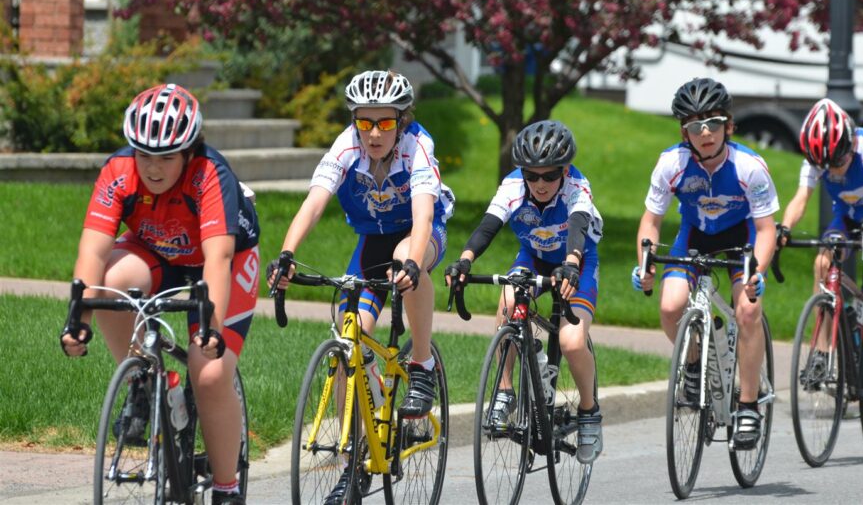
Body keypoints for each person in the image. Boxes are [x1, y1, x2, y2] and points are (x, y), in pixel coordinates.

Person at [60, 83, 259, 505]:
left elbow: (218, 260)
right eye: (144, 154)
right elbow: (93, 250)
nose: (152, 167)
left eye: (166, 157)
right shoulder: (118, 170)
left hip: (222, 260)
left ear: (189, 152)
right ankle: (142, 380)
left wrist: (210, 329)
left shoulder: (210, 174)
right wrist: (78, 321)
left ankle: (227, 487)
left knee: (208, 371)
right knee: (111, 284)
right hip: (157, 252)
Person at [267, 70, 454, 503]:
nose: (373, 133)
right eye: (364, 122)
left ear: (401, 121)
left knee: (408, 266)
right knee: (348, 331)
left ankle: (422, 366)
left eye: (384, 123)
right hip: (372, 238)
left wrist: (412, 260)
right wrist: (288, 253)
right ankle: (356, 455)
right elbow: (314, 201)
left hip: (418, 233)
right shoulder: (346, 144)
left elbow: (424, 215)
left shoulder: (418, 146)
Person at [446, 119, 605, 464]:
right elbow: (489, 225)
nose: (541, 183)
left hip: (577, 261)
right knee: (507, 301)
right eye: (532, 175)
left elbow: (578, 228)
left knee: (571, 341)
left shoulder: (578, 186)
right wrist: (464, 261)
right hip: (532, 257)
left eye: (549, 176)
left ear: (563, 171)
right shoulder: (513, 186)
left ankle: (590, 411)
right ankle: (505, 391)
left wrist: (572, 263)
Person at [633, 77, 778, 449]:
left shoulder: (750, 166)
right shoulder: (672, 164)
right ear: (685, 131)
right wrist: (646, 264)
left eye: (713, 123)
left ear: (728, 125)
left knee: (747, 311)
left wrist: (756, 272)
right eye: (696, 125)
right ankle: (694, 366)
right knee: (670, 305)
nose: (706, 132)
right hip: (694, 235)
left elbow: (765, 229)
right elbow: (651, 222)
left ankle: (747, 406)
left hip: (739, 240)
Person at [778, 98, 863, 402]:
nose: (833, 170)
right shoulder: (818, 157)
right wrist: (784, 228)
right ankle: (822, 353)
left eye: (837, 161)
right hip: (848, 217)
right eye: (825, 165)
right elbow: (801, 198)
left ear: (849, 143)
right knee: (822, 267)